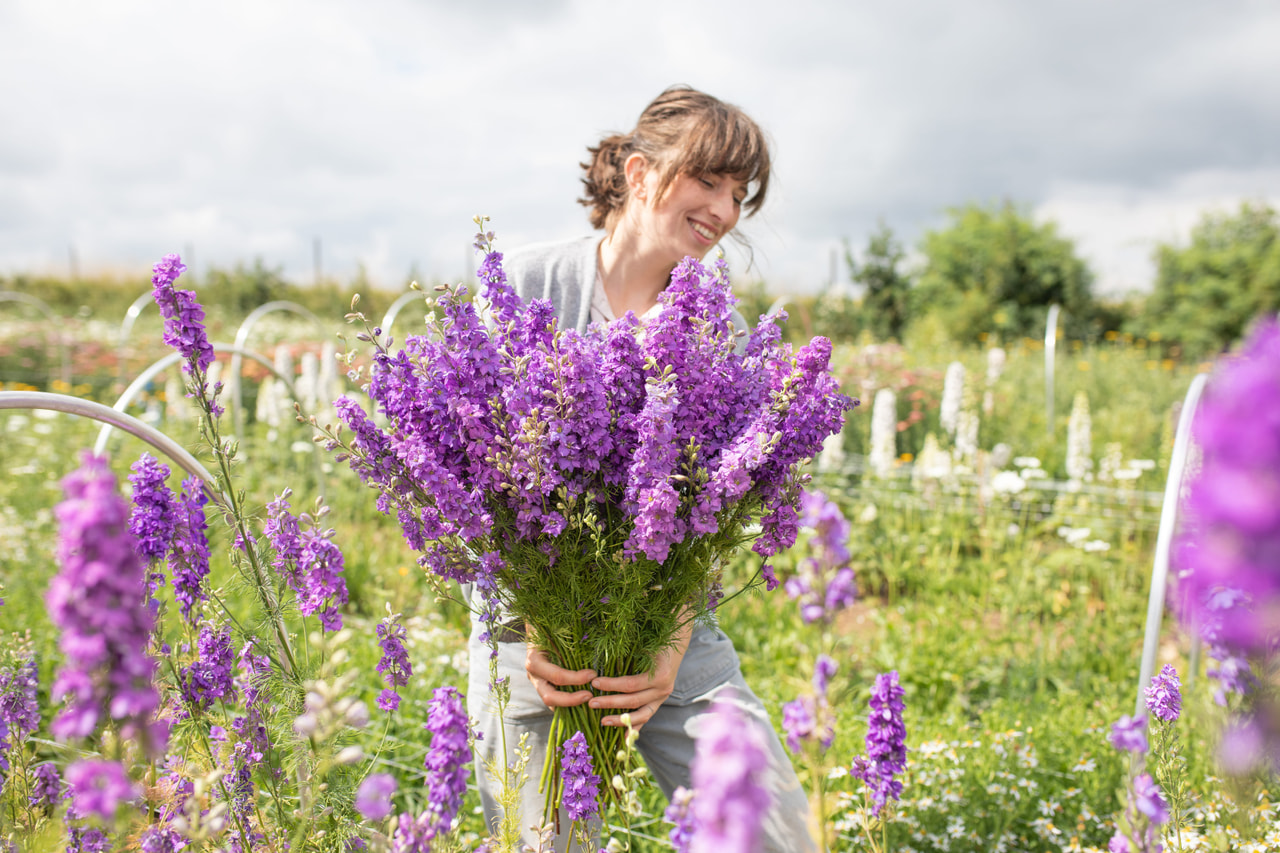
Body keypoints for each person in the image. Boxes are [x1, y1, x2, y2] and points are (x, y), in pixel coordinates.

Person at [466, 86, 816, 852]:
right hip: (535, 638)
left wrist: (669, 644)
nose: (724, 211)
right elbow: (470, 482)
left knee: (781, 831)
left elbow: (715, 504)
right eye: (709, 180)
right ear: (638, 171)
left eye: (737, 194)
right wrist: (533, 631)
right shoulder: (527, 286)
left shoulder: (715, 323)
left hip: (666, 628)